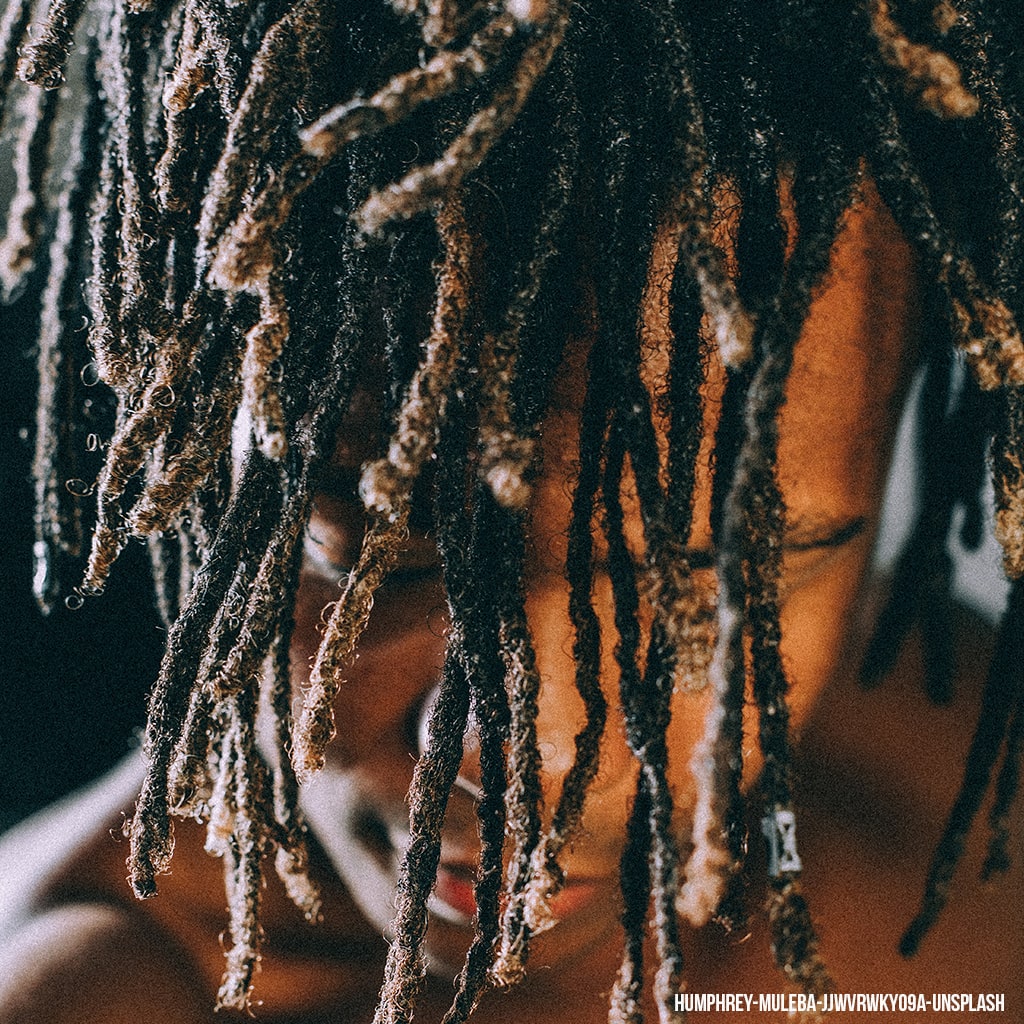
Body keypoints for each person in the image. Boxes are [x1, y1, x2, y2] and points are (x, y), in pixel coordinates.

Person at [0, 1, 1021, 1021]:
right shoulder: (95, 990)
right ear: (184, 434)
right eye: (381, 566)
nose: (526, 765)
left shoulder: (971, 789)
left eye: (707, 585)